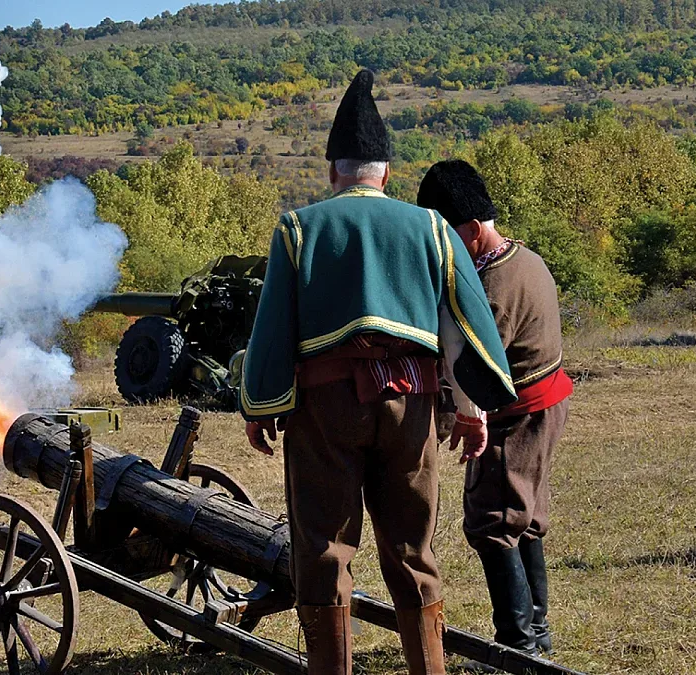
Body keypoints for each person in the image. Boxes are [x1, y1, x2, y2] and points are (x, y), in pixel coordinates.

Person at [240, 70, 517, 675]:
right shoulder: (433, 229)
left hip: (324, 412)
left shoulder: (298, 228)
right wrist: (471, 414)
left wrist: (261, 407)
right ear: (386, 173)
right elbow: (461, 326)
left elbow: (273, 328)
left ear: (333, 171)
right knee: (414, 549)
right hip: (411, 408)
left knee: (323, 551)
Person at [417, 160, 574, 660]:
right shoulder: (526, 259)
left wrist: (446, 414)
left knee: (494, 522)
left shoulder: (491, 286)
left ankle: (519, 646)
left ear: (471, 228)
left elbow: (473, 368)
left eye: (447, 233)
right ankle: (536, 637)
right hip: (541, 408)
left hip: (515, 417)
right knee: (523, 519)